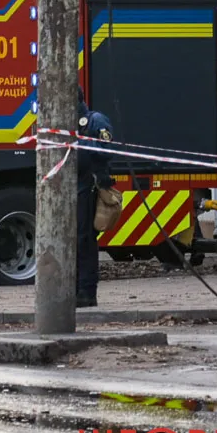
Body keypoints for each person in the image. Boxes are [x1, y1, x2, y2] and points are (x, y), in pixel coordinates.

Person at [76, 86, 115, 308]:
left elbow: (107, 149)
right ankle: (72, 289)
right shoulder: (62, 122)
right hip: (69, 188)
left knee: (84, 241)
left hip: (88, 189)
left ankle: (87, 292)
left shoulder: (94, 120)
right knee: (70, 241)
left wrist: (80, 142)